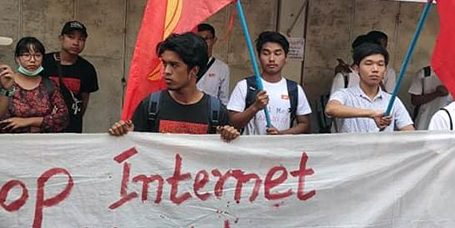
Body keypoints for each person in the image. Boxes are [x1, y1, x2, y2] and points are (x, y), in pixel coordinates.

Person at [108, 32, 239, 141]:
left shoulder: (216, 112)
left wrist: (229, 137)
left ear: (194, 70)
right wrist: (122, 135)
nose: (166, 71)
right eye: (165, 64)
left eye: (174, 65)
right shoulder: (150, 106)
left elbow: (223, 162)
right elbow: (133, 154)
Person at [228, 31, 311, 135]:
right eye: (266, 53)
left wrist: (281, 134)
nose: (271, 59)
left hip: (280, 150)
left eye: (277, 54)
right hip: (250, 150)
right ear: (259, 57)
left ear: (286, 58)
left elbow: (304, 124)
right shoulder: (245, 86)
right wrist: (255, 107)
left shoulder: (294, 89)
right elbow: (232, 123)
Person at [325, 43, 414, 133]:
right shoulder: (344, 95)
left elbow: (409, 132)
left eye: (380, 64)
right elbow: (331, 109)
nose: (375, 69)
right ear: (356, 68)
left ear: (385, 70)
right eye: (368, 64)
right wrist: (372, 114)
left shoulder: (393, 101)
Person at [0, 37, 68, 133]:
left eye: (37, 55)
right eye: (26, 55)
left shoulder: (49, 85)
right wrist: (45, 121)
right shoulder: (5, 83)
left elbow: (63, 118)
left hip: (44, 144)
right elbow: (0, 120)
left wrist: (26, 122)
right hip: (13, 144)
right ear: (17, 58)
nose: (32, 60)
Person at [42, 21, 98, 133]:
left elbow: (84, 100)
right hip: (44, 128)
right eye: (71, 37)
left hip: (71, 131)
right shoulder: (44, 62)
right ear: (61, 38)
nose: (76, 42)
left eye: (81, 39)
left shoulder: (87, 69)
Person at [408, 65, 452, 130]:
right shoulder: (425, 73)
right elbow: (415, 100)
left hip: (446, 120)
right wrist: (437, 93)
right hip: (424, 119)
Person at [195, 23, 230, 106]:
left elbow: (224, 99)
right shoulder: (188, 64)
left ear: (214, 40)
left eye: (207, 39)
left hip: (210, 112)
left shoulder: (222, 68)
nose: (203, 43)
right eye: (200, 39)